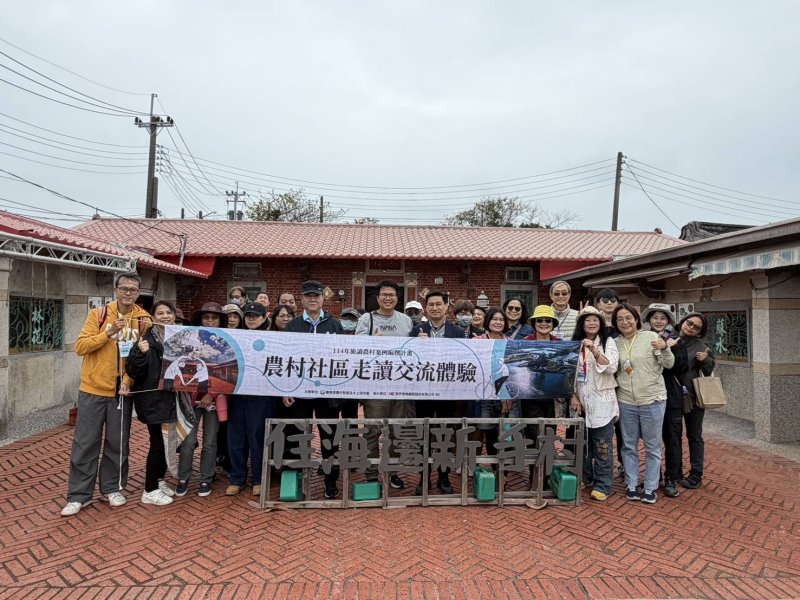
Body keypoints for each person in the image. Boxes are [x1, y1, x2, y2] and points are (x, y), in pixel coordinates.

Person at [61, 272, 153, 516]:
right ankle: (79, 495)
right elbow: (80, 347)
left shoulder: (144, 321)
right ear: (115, 290)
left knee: (118, 442)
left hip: (122, 392)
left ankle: (112, 488)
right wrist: (108, 333)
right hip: (92, 389)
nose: (128, 293)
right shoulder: (99, 315)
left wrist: (128, 380)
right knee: (85, 443)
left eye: (133, 289)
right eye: (123, 288)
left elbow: (140, 360)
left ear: (138, 292)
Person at [284, 281, 346, 498]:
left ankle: (331, 482)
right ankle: (297, 481)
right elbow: (285, 359)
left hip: (326, 393)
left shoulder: (334, 324)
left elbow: (342, 358)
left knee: (329, 437)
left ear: (323, 298)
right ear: (301, 299)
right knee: (298, 436)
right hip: (300, 392)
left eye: (316, 296)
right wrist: (285, 390)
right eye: (308, 296)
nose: (313, 299)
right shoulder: (292, 325)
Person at [355, 280, 414, 490]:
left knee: (396, 431)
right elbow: (355, 348)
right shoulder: (366, 319)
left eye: (392, 294)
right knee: (372, 430)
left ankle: (392, 472)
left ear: (398, 298)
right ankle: (371, 475)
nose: (388, 298)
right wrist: (371, 340)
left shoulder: (406, 321)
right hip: (375, 386)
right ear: (377, 297)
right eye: (384, 294)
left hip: (400, 385)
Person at [613, 303, 674, 505]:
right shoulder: (615, 342)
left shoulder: (650, 337)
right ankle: (631, 483)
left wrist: (665, 348)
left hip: (652, 399)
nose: (624, 322)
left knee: (652, 446)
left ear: (636, 319)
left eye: (628, 318)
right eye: (620, 319)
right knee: (628, 445)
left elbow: (668, 363)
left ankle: (650, 486)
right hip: (626, 400)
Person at [123, 300, 179, 506]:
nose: (165, 316)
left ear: (174, 315)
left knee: (166, 443)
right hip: (153, 399)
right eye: (160, 313)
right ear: (153, 317)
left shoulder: (176, 337)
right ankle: (149, 490)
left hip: (169, 398)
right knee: (157, 443)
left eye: (168, 312)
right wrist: (139, 352)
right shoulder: (146, 339)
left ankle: (159, 479)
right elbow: (133, 371)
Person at [411, 291, 467, 495]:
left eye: (438, 304)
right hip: (422, 393)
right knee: (423, 434)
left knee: (445, 434)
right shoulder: (416, 331)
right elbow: (408, 361)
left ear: (446, 307)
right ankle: (423, 478)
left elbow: (463, 361)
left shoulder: (458, 333)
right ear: (426, 308)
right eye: (431, 305)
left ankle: (443, 477)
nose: (435, 308)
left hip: (447, 394)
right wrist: (418, 346)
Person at [569, 307, 619, 501]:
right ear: (581, 324)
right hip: (581, 401)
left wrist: (594, 349)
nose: (591, 323)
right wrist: (573, 395)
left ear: (600, 323)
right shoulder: (575, 344)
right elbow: (570, 372)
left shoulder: (608, 342)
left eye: (595, 320)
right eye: (587, 320)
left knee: (602, 445)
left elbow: (612, 366)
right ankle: (586, 477)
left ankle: (603, 483)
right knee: (583, 443)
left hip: (603, 402)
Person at [226, 302, 275, 497]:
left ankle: (258, 478)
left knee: (258, 437)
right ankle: (237, 478)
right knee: (236, 437)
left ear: (264, 318)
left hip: (261, 396)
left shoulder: (273, 339)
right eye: (248, 316)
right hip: (237, 394)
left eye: (256, 316)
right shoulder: (235, 337)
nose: (251, 319)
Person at [641, 303, 684, 497]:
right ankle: (653, 476)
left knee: (672, 439)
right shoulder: (643, 339)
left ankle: (671, 479)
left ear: (668, 321)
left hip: (671, 397)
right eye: (655, 317)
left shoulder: (677, 339)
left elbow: (680, 366)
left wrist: (667, 348)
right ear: (649, 319)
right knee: (652, 441)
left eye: (663, 318)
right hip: (650, 397)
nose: (658, 321)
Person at [673, 313, 715, 493]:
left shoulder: (702, 347)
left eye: (696, 327)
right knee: (673, 436)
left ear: (700, 332)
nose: (690, 327)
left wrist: (706, 360)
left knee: (694, 435)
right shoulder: (670, 339)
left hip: (693, 397)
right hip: (671, 396)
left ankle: (696, 474)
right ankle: (675, 472)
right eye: (689, 323)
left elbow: (708, 370)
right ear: (683, 321)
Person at [475, 307, 512, 455]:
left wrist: (507, 395)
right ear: (488, 321)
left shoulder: (511, 343)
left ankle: (504, 473)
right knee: (489, 433)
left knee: (508, 433)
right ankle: (494, 469)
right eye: (494, 319)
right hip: (485, 395)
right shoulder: (477, 341)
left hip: (507, 397)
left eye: (501, 319)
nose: (498, 322)